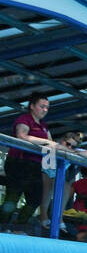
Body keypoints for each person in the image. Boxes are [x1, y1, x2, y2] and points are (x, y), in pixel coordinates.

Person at [1, 95, 59, 225]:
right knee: (13, 197)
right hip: (19, 163)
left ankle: (18, 226)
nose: (45, 110)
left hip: (35, 166)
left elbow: (52, 144)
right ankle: (2, 226)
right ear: (32, 106)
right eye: (42, 106)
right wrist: (45, 142)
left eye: (47, 108)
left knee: (35, 199)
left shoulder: (44, 126)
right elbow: (22, 136)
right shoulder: (24, 120)